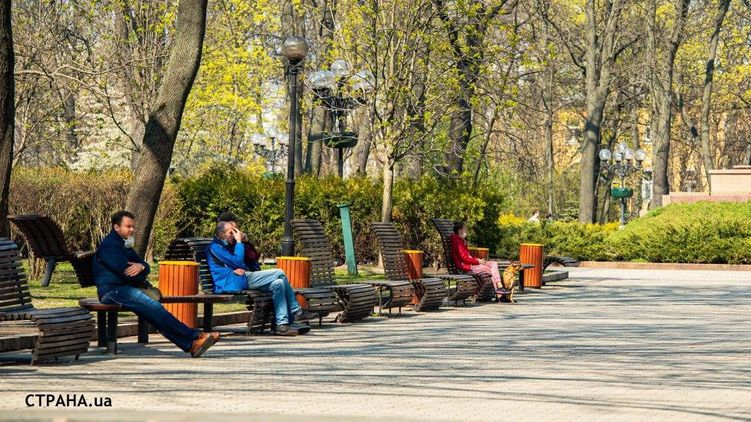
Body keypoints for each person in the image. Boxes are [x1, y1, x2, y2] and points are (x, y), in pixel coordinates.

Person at [94, 211, 219, 358]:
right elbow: (127, 274)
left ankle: (191, 345)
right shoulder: (110, 246)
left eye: (133, 226)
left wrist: (141, 267)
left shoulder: (123, 244)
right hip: (112, 291)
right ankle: (195, 336)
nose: (132, 230)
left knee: (153, 312)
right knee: (154, 308)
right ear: (116, 227)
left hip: (124, 289)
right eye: (128, 226)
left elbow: (143, 265)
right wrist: (140, 269)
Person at [206, 221, 318, 336]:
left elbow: (245, 261)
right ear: (222, 234)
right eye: (231, 232)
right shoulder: (215, 247)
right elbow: (237, 261)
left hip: (239, 278)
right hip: (231, 282)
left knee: (279, 283)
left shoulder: (225, 245)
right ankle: (296, 311)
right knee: (279, 273)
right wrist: (239, 242)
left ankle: (282, 325)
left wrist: (244, 245)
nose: (234, 235)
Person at [449, 221, 503, 292]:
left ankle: (500, 288)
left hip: (472, 264)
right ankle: (499, 291)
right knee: (491, 270)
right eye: (465, 229)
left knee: (493, 264)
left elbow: (467, 256)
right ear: (460, 231)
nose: (466, 231)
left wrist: (478, 260)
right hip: (467, 267)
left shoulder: (461, 241)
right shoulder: (457, 242)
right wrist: (478, 261)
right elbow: (464, 258)